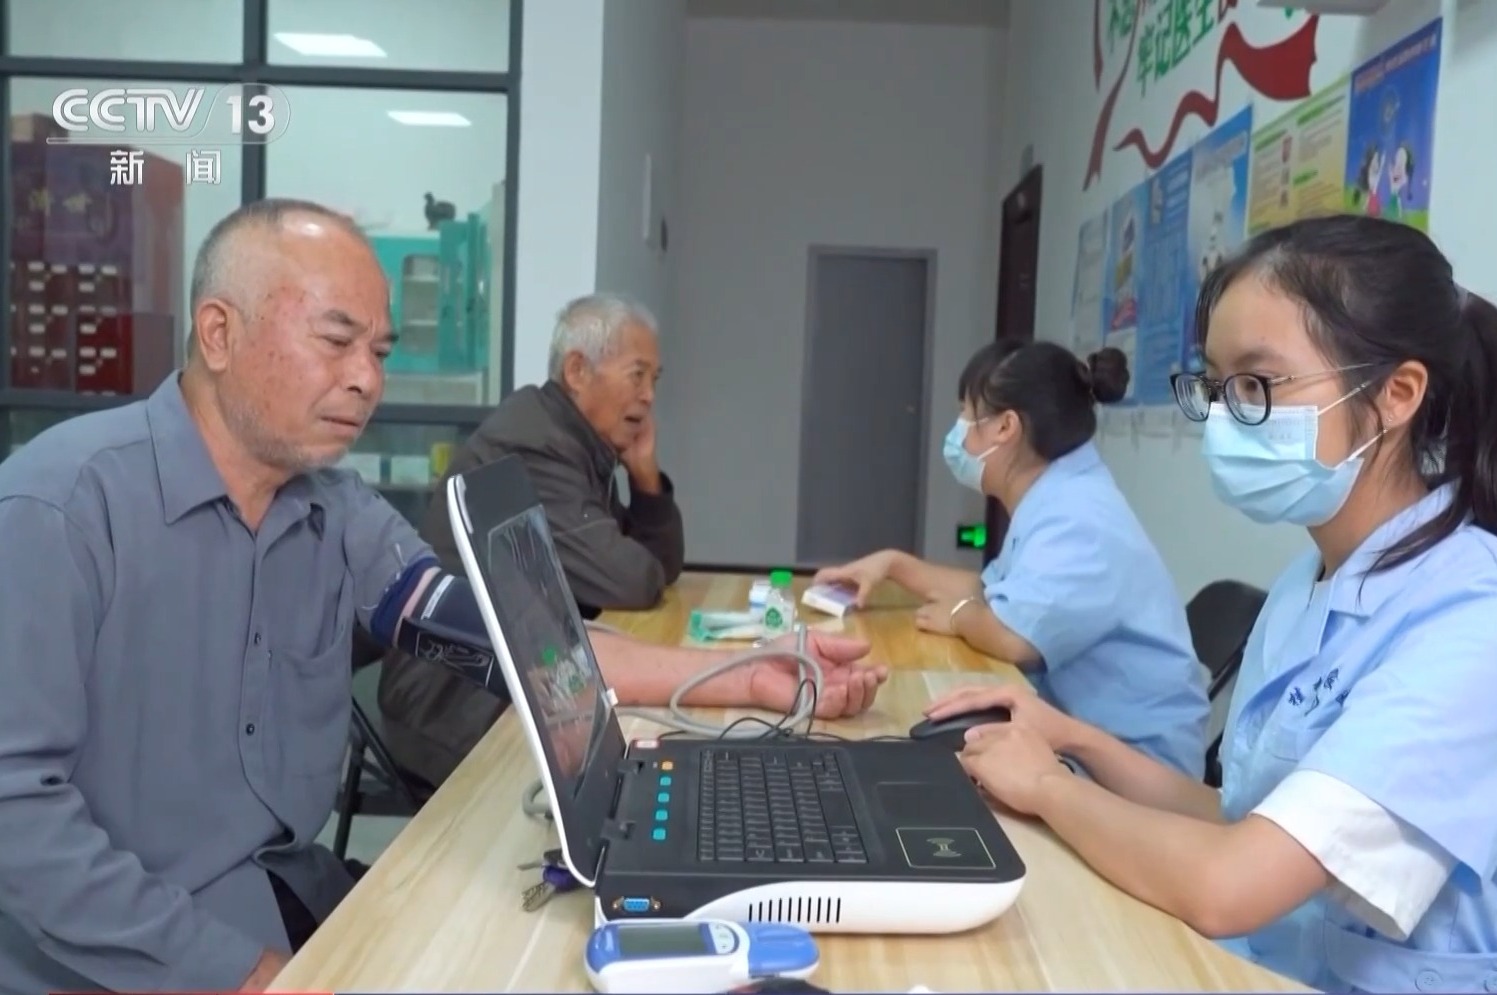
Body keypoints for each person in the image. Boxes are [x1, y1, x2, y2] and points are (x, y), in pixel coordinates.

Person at [0, 199, 884, 995]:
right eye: (336, 341)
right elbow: (17, 816)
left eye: (379, 351)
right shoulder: (61, 509)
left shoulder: (335, 509)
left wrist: (753, 671)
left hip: (281, 901)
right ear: (219, 333)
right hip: (115, 959)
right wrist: (245, 976)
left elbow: (520, 643)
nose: (367, 379)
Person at [924, 214, 1497, 993]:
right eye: (1215, 386)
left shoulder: (1493, 617)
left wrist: (1049, 785)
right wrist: (1069, 736)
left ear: (1396, 394)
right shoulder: (1308, 581)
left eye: (1256, 385)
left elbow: (1232, 881)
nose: (1224, 417)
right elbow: (1239, 816)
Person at [815, 340, 1209, 777]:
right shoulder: (1056, 494)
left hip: (1135, 770)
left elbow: (1013, 636)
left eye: (967, 416)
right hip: (1079, 735)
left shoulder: (1078, 518)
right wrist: (892, 565)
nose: (959, 434)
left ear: (1005, 427)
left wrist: (961, 617)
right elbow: (993, 592)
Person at [378, 292, 684, 789]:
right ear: (578, 370)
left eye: (655, 379)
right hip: (451, 699)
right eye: (637, 375)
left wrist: (645, 476)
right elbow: (631, 580)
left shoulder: (576, 441)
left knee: (644, 744)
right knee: (632, 762)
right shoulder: (535, 445)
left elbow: (657, 568)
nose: (649, 395)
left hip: (508, 675)